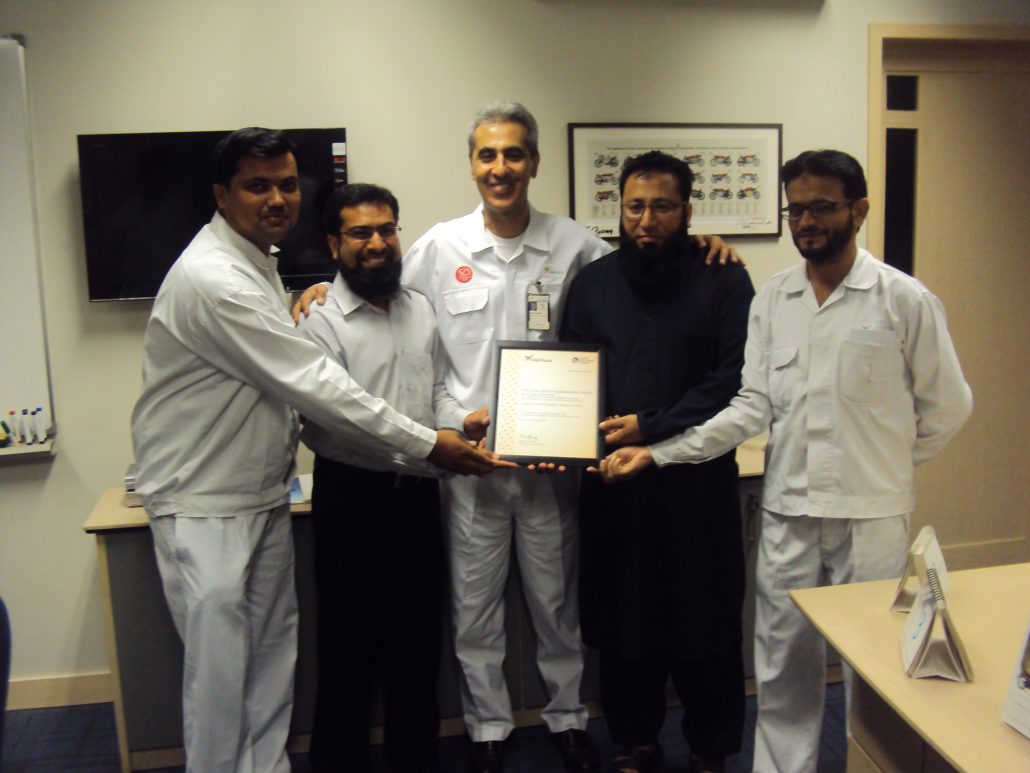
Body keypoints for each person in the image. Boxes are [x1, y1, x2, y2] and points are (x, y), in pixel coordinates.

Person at [293, 102, 738, 773]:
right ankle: (488, 729)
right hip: (467, 464)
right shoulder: (438, 248)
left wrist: (709, 245)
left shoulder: (575, 246)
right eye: (487, 155)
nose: (499, 168)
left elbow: (637, 275)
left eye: (513, 154)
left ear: (533, 162)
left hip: (552, 466)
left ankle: (566, 719)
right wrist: (312, 290)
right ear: (472, 165)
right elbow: (376, 289)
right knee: (474, 608)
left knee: (557, 604)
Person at [131, 128, 505, 773]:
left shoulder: (261, 266)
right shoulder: (216, 278)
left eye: (286, 184)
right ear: (221, 195)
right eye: (257, 186)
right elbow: (316, 387)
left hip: (263, 495)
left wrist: (448, 428)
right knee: (223, 681)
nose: (276, 199)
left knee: (271, 667)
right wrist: (429, 446)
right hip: (206, 502)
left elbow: (429, 389)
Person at [595, 149, 973, 773]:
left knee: (874, 665)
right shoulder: (774, 299)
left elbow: (949, 406)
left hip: (871, 517)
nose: (806, 222)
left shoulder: (903, 300)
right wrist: (658, 454)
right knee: (781, 663)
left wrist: (887, 464)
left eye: (821, 207)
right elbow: (750, 408)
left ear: (859, 210)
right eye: (795, 210)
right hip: (788, 511)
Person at [561, 151, 753, 773]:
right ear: (619, 210)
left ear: (688, 211)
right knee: (625, 625)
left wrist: (652, 426)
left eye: (663, 207)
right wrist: (562, 441)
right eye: (635, 206)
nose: (647, 221)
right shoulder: (592, 283)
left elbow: (733, 379)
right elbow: (572, 373)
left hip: (697, 487)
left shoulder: (725, 280)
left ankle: (709, 747)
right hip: (617, 488)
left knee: (705, 623)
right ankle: (635, 741)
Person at [299, 183, 494, 772]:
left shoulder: (419, 308)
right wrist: (437, 447)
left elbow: (432, 392)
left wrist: (463, 421)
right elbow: (339, 423)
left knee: (416, 653)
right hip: (351, 503)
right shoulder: (318, 322)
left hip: (418, 505)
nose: (377, 243)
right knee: (348, 657)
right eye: (360, 233)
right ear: (334, 243)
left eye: (386, 229)